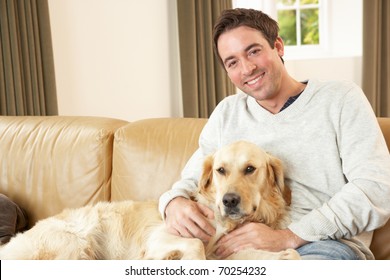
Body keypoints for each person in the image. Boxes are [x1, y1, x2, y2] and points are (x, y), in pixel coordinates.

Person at [158, 8, 390, 260]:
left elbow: (376, 188)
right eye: (232, 62)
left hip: (321, 246)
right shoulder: (226, 112)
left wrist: (289, 236)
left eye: (253, 51)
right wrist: (172, 203)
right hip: (236, 248)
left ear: (278, 46)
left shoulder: (341, 99)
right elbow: (193, 180)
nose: (247, 68)